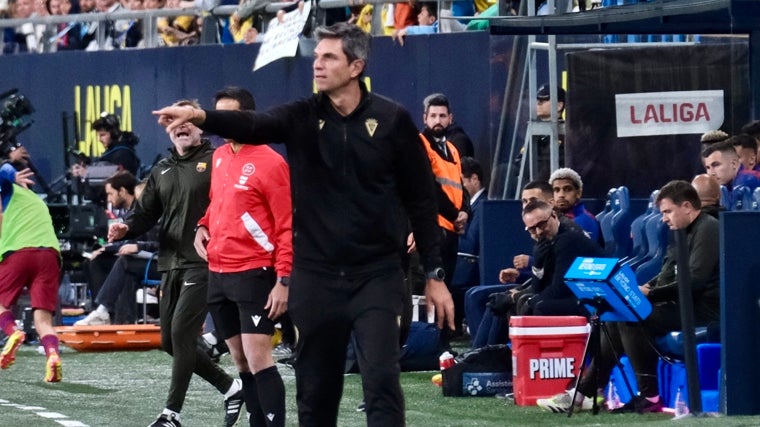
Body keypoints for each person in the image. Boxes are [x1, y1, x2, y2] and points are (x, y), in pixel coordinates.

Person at [152, 22, 454, 426]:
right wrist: (200, 117)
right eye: (317, 56)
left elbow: (422, 199)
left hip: (377, 274)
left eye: (329, 57)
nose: (318, 64)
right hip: (317, 277)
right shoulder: (302, 116)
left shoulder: (392, 120)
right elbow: (254, 124)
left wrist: (434, 274)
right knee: (316, 391)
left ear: (356, 66)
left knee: (382, 382)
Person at [109, 99, 244, 427]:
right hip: (170, 262)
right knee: (169, 341)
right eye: (175, 121)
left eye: (188, 119)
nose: (181, 126)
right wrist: (125, 227)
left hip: (204, 260)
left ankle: (171, 414)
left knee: (183, 331)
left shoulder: (217, 161)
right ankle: (232, 387)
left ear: (199, 126)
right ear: (169, 129)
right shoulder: (161, 169)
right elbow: (145, 214)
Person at [537, 180, 720, 414]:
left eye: (667, 211)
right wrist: (646, 287)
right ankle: (584, 392)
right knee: (616, 314)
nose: (663, 218)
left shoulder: (708, 227)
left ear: (686, 206)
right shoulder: (681, 231)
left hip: (704, 310)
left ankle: (649, 396)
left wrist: (650, 294)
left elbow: (695, 279)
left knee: (630, 315)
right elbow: (666, 272)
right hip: (681, 304)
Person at [194, 86, 292, 427]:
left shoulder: (272, 162)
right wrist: (202, 226)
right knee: (240, 361)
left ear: (248, 119)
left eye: (230, 115)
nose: (222, 122)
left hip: (254, 273)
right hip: (218, 273)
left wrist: (283, 281)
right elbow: (219, 203)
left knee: (259, 358)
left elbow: (285, 225)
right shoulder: (219, 156)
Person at [0, 164, 62, 382]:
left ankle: (13, 331)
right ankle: (53, 355)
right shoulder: (37, 202)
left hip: (20, 253)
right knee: (43, 320)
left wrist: (12, 174)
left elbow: (2, 169)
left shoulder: (9, 192)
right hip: (50, 256)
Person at [417, 92, 469, 340]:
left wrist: (465, 212)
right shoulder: (420, 144)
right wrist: (455, 213)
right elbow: (427, 187)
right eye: (433, 115)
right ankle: (430, 341)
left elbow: (460, 186)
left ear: (451, 118)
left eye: (442, 115)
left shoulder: (452, 149)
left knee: (445, 286)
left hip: (451, 228)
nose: (438, 120)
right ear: (425, 118)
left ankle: (443, 341)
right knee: (431, 286)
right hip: (433, 227)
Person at [75, 179, 160, 325]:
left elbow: (165, 244)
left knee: (125, 262)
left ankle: (106, 313)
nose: (140, 205)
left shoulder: (161, 217)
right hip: (152, 258)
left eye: (142, 200)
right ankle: (105, 312)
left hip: (165, 261)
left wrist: (138, 247)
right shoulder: (144, 216)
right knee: (110, 262)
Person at [549, 167, 602, 245]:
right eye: (556, 190)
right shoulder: (557, 219)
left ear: (578, 193)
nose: (561, 195)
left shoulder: (583, 221)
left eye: (567, 189)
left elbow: (577, 255)